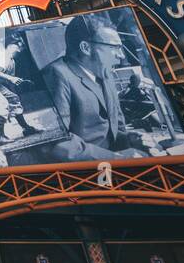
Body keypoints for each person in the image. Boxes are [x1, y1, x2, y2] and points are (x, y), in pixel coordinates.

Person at [42, 16, 149, 161]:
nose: (121, 55)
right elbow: (56, 142)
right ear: (86, 48)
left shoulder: (104, 72)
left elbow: (117, 121)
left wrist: (130, 141)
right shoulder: (56, 75)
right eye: (114, 47)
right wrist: (116, 158)